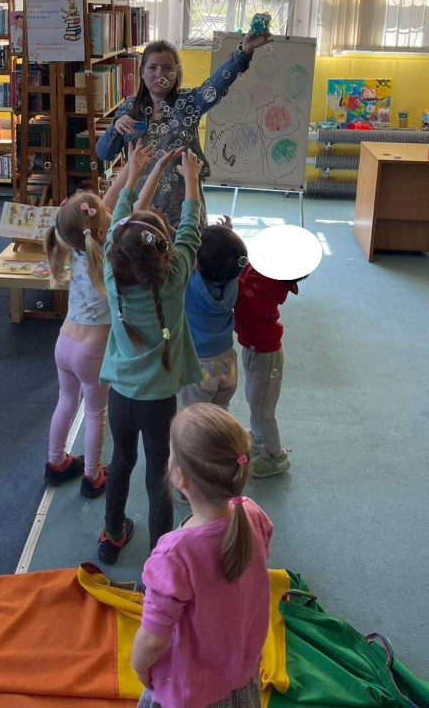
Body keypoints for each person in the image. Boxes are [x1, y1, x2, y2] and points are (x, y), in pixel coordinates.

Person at [97, 145, 204, 565]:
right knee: (159, 475)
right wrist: (190, 179)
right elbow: (191, 229)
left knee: (120, 461)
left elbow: (119, 220)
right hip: (159, 401)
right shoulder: (175, 279)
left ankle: (111, 535)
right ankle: (160, 555)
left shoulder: (111, 274)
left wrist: (137, 171)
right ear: (165, 250)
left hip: (121, 397)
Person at [132, 403, 272, 708]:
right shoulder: (252, 512)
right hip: (242, 671)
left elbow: (153, 637)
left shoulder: (174, 554)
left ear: (179, 477)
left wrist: (139, 665)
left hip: (191, 691)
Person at [95, 31, 272, 230]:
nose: (160, 74)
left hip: (183, 208)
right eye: (153, 67)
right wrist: (115, 129)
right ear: (142, 72)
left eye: (167, 68)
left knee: (187, 249)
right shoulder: (130, 108)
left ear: (176, 72)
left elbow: (216, 84)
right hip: (140, 209)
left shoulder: (189, 102)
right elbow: (103, 154)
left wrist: (243, 51)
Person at [43, 162, 139, 499]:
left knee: (66, 401)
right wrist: (134, 177)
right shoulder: (110, 251)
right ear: (99, 229)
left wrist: (130, 168)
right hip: (92, 351)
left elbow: (102, 205)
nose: (110, 209)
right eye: (106, 212)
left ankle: (56, 462)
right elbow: (122, 206)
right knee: (96, 412)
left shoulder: (76, 245)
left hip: (65, 343)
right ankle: (93, 475)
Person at [234, 263, 301, 479]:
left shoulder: (273, 280)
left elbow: (252, 303)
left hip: (265, 353)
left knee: (264, 410)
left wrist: (235, 280)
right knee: (254, 400)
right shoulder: (261, 268)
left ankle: (275, 456)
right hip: (253, 346)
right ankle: (258, 439)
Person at [181, 217, 248, 412]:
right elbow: (229, 260)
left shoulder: (189, 282)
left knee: (197, 420)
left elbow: (180, 255)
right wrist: (227, 236)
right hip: (227, 360)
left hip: (199, 365)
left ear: (197, 263)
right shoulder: (233, 280)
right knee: (220, 413)